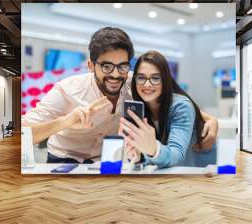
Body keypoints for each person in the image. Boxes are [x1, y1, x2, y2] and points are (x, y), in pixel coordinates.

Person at [22, 27, 218, 164]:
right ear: (91, 65)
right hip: (63, 158)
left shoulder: (135, 82)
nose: (116, 74)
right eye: (106, 66)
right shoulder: (67, 90)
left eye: (122, 66)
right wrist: (65, 121)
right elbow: (22, 134)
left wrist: (211, 120)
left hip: (107, 159)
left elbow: (173, 101)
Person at [119, 50, 217, 168]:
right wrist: (140, 157)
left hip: (198, 176)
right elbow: (155, 158)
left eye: (155, 78)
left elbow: (176, 155)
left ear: (165, 80)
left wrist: (153, 149)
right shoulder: (140, 108)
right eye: (141, 78)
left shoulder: (181, 106)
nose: (147, 84)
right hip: (170, 176)